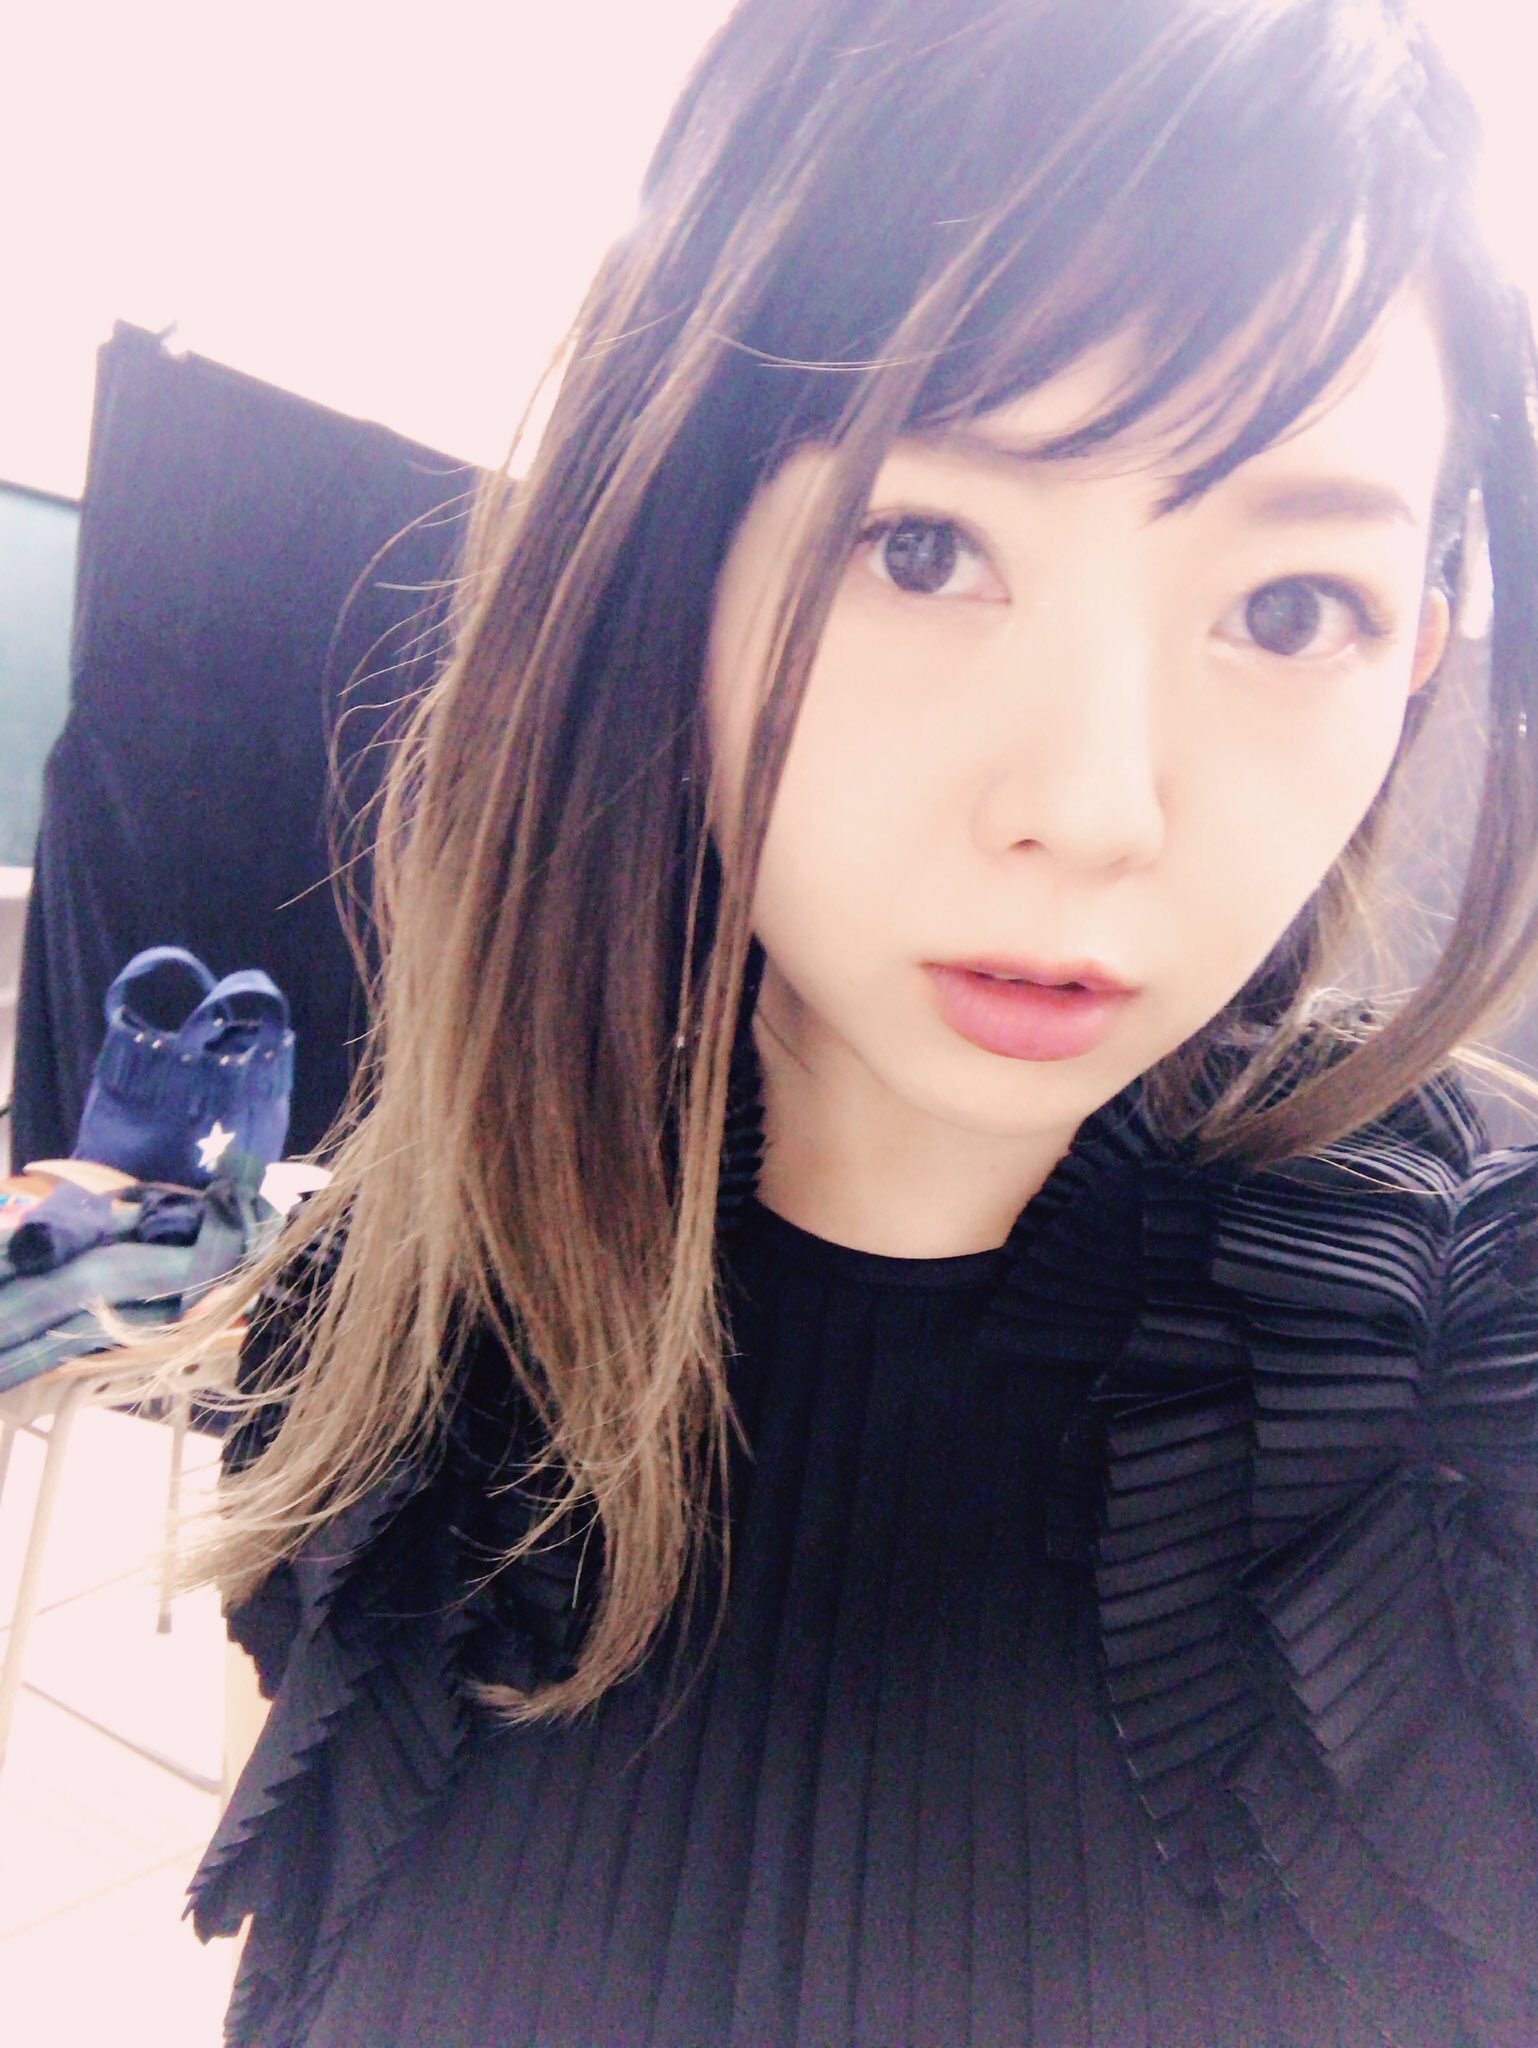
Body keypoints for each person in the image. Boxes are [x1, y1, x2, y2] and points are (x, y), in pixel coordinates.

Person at [180, 1, 1538, 2042]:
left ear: (1412, 662)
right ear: (675, 559)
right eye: (923, 548)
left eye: (1288, 610)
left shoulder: (1467, 1413)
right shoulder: (397, 1329)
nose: (1093, 806)